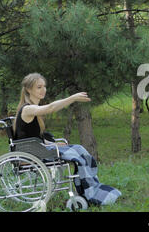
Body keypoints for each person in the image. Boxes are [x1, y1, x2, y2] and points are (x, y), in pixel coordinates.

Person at [13, 72, 121, 206]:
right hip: (33, 154)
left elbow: (34, 138)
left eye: (44, 86)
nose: (43, 90)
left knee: (79, 149)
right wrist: (73, 98)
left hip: (37, 149)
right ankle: (89, 192)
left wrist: (52, 143)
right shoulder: (28, 109)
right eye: (39, 87)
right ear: (29, 90)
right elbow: (51, 108)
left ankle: (92, 188)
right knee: (78, 152)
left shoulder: (31, 110)